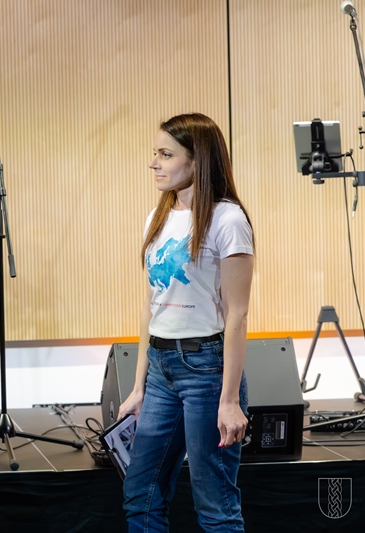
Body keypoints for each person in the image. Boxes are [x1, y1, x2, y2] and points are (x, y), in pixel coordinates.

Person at [118, 113, 254, 532]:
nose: (153, 163)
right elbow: (152, 306)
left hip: (206, 369)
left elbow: (237, 314)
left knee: (215, 505)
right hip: (161, 370)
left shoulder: (228, 220)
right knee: (140, 495)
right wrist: (139, 387)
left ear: (198, 160)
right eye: (155, 153)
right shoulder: (157, 218)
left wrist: (229, 400)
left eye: (165, 154)